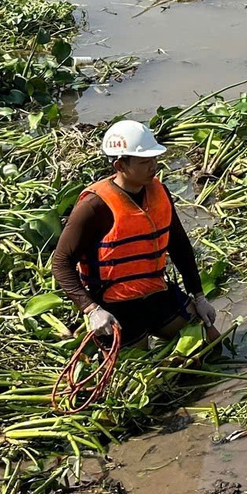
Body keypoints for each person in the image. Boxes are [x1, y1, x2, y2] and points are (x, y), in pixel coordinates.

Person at [53, 119, 218, 346]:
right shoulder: (94, 206)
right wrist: (91, 310)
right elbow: (61, 262)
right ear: (119, 166)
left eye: (154, 159)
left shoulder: (160, 192)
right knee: (138, 366)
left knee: (208, 342)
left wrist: (199, 296)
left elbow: (179, 246)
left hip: (155, 292)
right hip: (114, 303)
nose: (153, 166)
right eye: (144, 162)